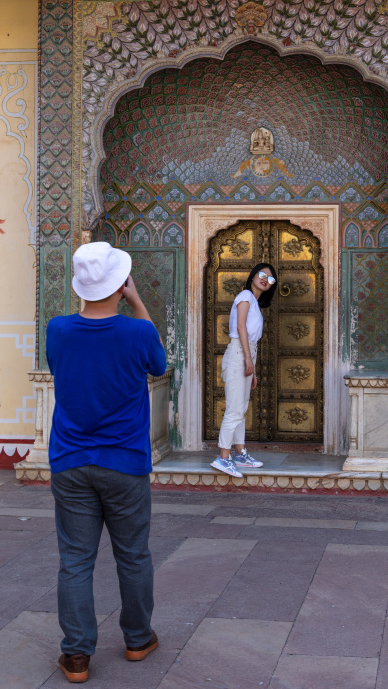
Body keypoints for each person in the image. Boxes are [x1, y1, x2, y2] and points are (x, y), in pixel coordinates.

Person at [46, 241, 167, 683]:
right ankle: (138, 639)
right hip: (125, 463)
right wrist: (136, 301)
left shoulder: (57, 330)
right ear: (120, 284)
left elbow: (62, 368)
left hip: (70, 461)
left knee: (75, 560)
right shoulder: (137, 332)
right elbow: (158, 364)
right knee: (133, 555)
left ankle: (76, 656)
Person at [211, 263, 277, 478]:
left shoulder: (255, 303)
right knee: (234, 409)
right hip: (239, 353)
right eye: (262, 274)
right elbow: (240, 329)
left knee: (241, 408)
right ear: (252, 276)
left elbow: (249, 337)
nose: (265, 279)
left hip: (247, 354)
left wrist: (253, 368)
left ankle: (239, 452)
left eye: (270, 279)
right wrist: (248, 358)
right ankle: (223, 457)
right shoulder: (246, 296)